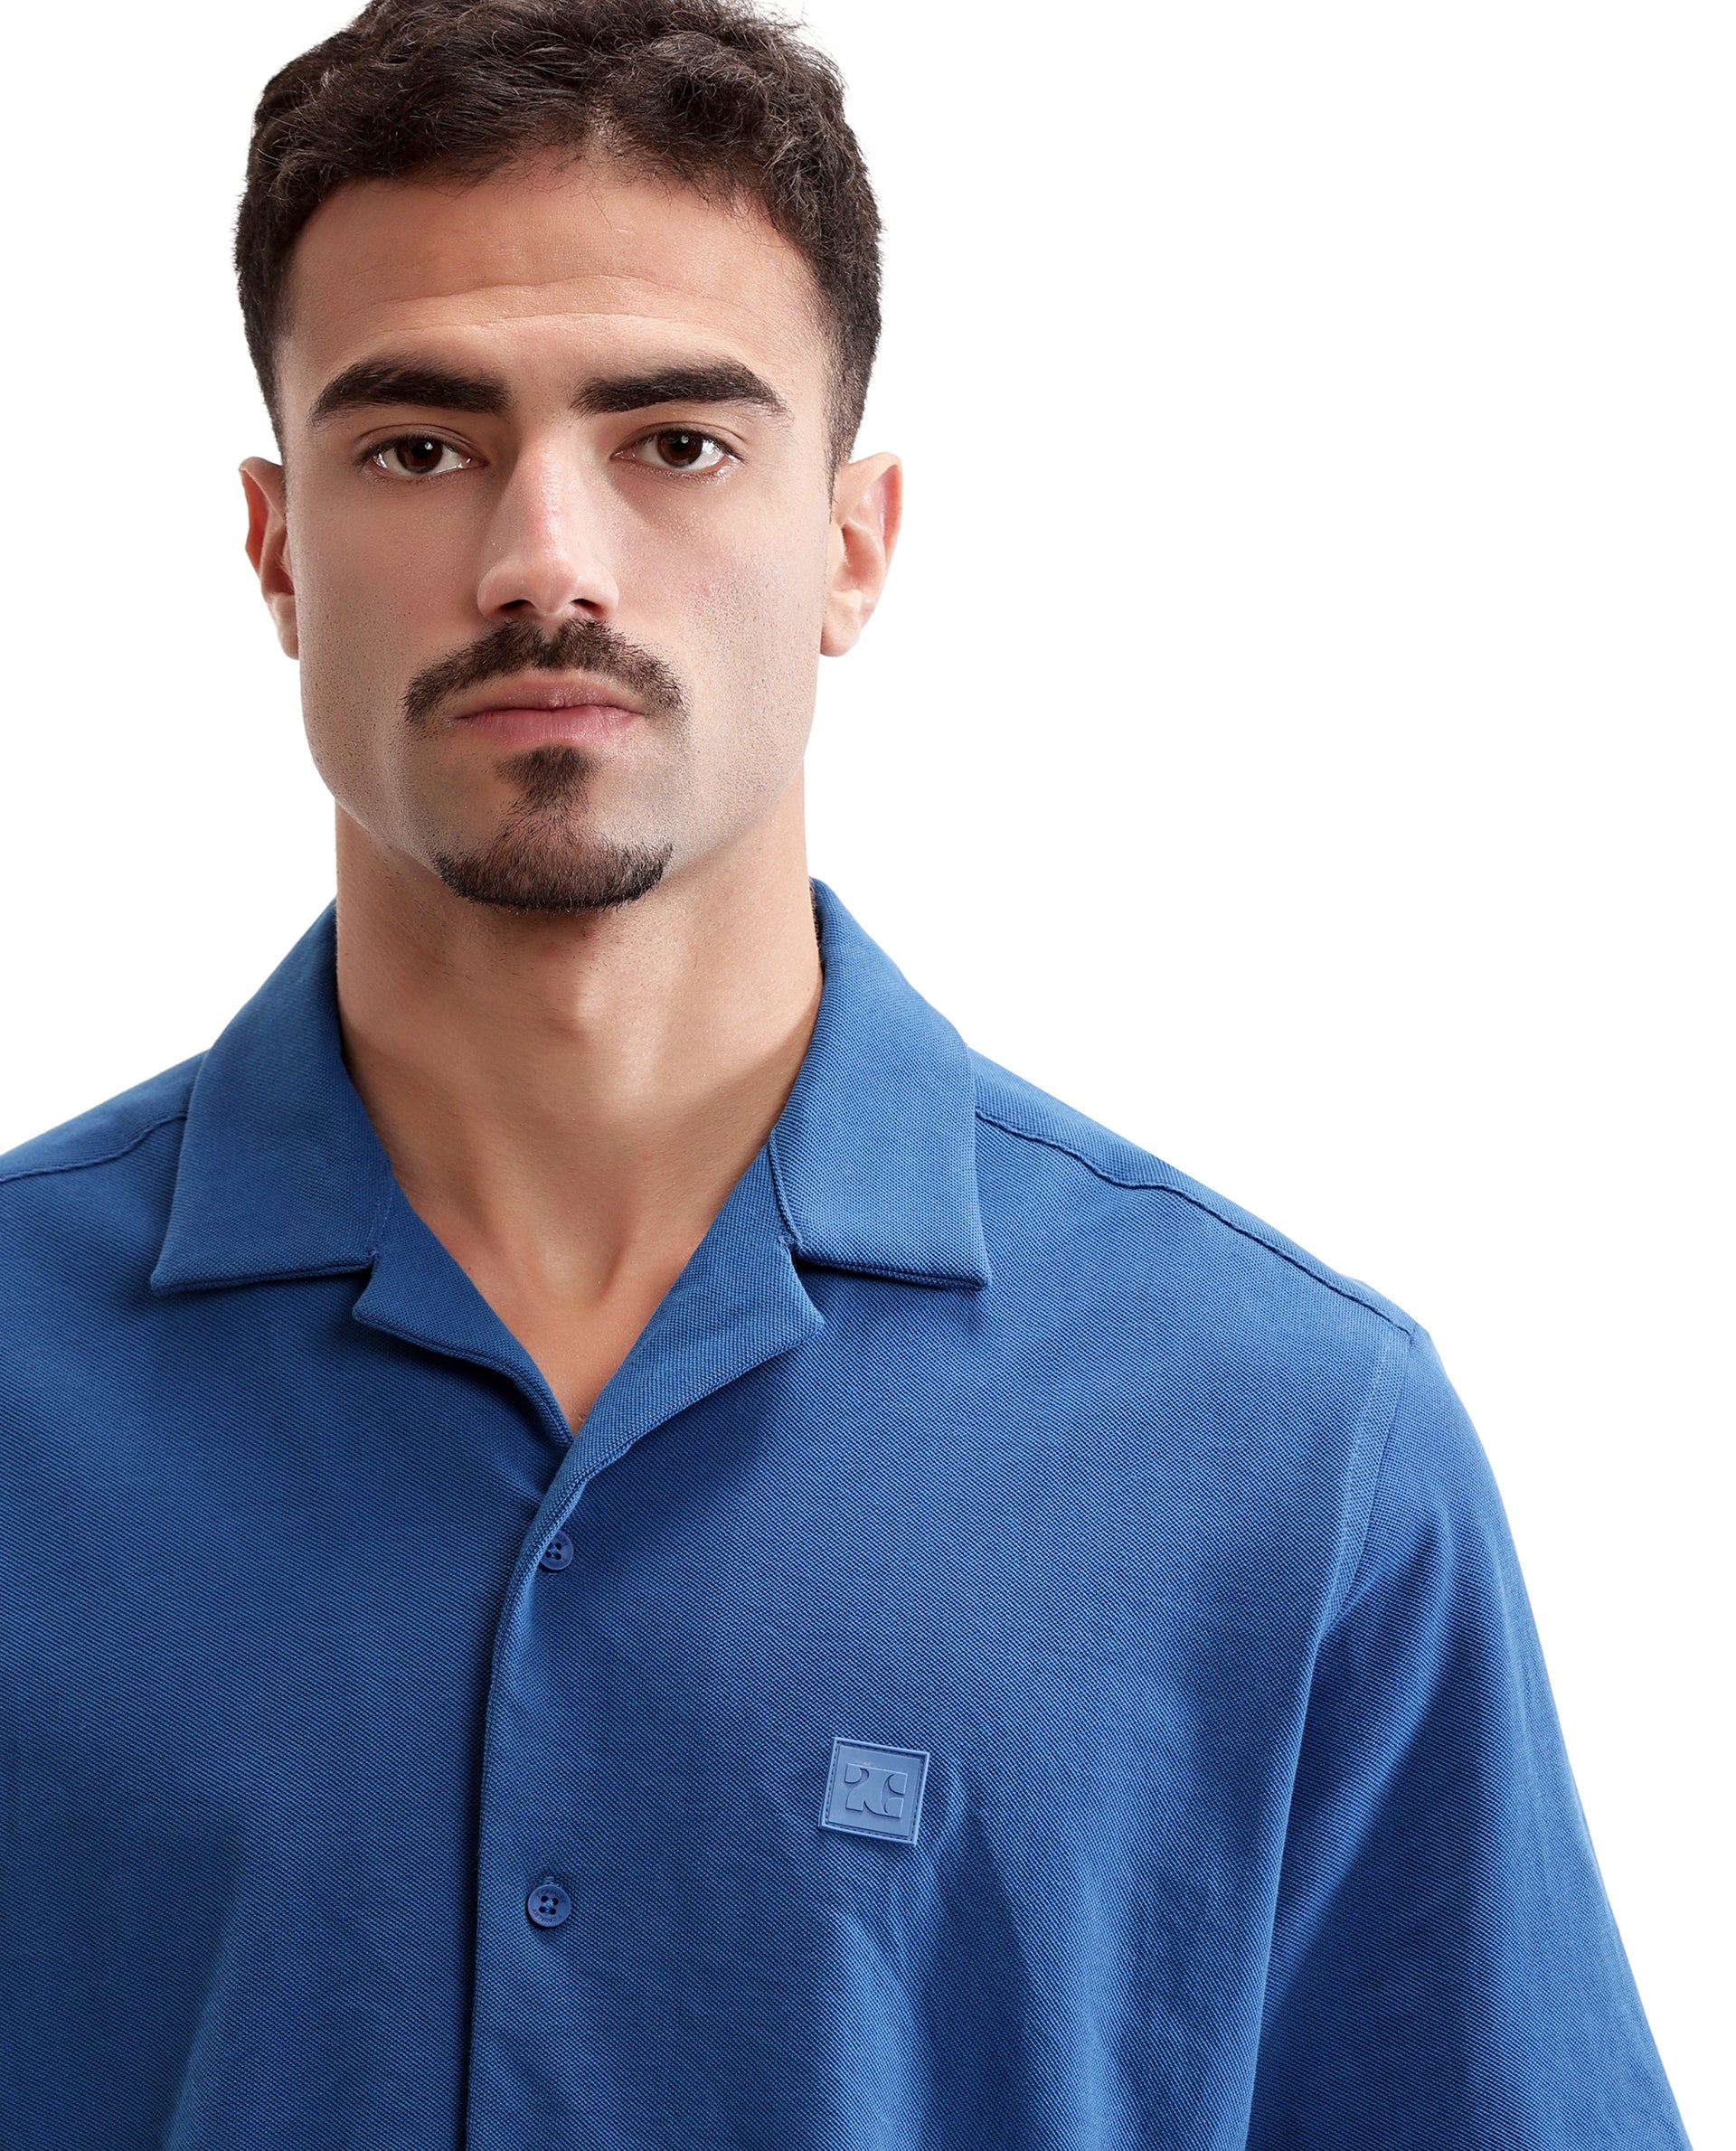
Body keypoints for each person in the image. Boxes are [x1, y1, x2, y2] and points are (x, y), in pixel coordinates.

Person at [0, 0, 1692, 2142]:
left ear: (856, 542)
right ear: (273, 547)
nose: (545, 558)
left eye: (676, 443)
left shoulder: (1295, 1448)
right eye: (418, 445)